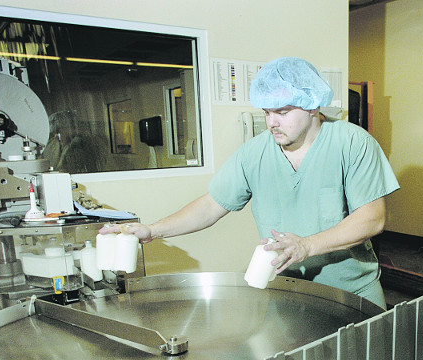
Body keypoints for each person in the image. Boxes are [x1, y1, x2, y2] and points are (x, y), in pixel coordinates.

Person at [101, 57, 399, 308]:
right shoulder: (254, 153)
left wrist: (306, 246)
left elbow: (372, 218)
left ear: (312, 106)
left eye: (282, 112)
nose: (271, 122)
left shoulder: (352, 143)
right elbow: (210, 205)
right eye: (267, 112)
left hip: (352, 293)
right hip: (287, 292)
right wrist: (152, 230)